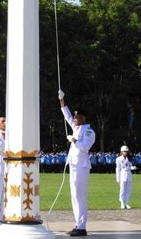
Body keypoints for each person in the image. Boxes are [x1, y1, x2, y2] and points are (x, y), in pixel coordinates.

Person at [58, 90, 96, 237]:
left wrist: (74, 140)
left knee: (80, 195)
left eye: (77, 116)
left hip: (81, 165)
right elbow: (66, 115)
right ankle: (77, 224)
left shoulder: (89, 132)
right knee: (74, 195)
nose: (74, 118)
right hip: (73, 165)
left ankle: (82, 226)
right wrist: (62, 100)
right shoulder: (76, 127)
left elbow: (85, 147)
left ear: (83, 118)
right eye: (74, 116)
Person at [115, 145, 136, 209]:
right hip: (122, 175)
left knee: (128, 190)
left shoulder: (129, 158)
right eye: (124, 151)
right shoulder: (118, 159)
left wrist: (133, 168)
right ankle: (122, 203)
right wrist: (118, 178)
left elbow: (129, 166)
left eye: (126, 151)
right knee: (122, 190)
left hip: (129, 175)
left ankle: (127, 203)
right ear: (121, 152)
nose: (126, 152)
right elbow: (118, 169)